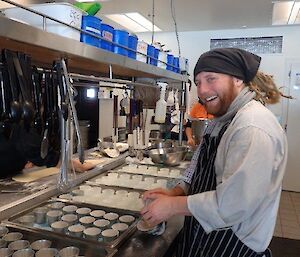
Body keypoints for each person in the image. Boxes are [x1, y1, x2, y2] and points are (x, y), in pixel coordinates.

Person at [141, 48, 288, 257]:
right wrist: (177, 192)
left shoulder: (251, 127)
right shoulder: (222, 119)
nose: (202, 90)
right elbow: (199, 165)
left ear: (237, 80)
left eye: (211, 79)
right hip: (204, 234)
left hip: (234, 244)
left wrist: (173, 206)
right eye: (198, 82)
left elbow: (234, 205)